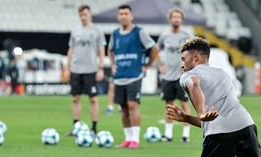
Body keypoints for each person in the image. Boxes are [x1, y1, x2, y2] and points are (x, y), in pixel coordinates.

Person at [108, 4, 159, 149]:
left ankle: (135, 140)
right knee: (123, 108)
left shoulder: (139, 32)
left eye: (126, 13)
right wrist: (112, 64)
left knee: (132, 105)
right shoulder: (115, 34)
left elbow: (154, 48)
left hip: (134, 76)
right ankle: (127, 139)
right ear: (118, 17)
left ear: (131, 16)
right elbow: (110, 51)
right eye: (121, 14)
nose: (123, 16)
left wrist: (147, 65)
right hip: (119, 76)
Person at [64, 5, 106, 136]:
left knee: (93, 99)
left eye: (85, 14)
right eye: (81, 15)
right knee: (75, 98)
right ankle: (75, 127)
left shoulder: (97, 31)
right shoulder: (75, 31)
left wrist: (101, 68)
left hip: (91, 69)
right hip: (76, 69)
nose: (83, 17)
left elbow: (101, 50)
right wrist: (67, 67)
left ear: (89, 14)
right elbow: (71, 49)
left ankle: (93, 128)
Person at [156, 8, 192, 143]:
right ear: (170, 19)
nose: (176, 19)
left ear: (181, 20)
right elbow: (155, 50)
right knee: (169, 105)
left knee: (184, 103)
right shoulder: (164, 35)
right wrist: (160, 66)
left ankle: (186, 134)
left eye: (179, 17)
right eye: (174, 17)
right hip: (167, 76)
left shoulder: (187, 36)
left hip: (182, 76)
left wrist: (188, 68)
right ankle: (168, 134)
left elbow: (193, 53)